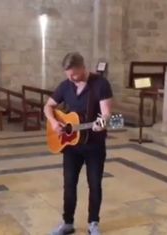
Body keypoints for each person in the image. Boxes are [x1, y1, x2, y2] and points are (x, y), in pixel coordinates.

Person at [44, 52, 113, 235]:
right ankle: (67, 222)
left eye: (74, 74)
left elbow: (106, 114)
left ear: (83, 67)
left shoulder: (101, 84)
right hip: (71, 146)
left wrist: (103, 123)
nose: (72, 78)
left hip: (94, 146)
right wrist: (53, 122)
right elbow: (48, 106)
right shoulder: (66, 85)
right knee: (69, 184)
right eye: (68, 75)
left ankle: (93, 223)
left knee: (95, 184)